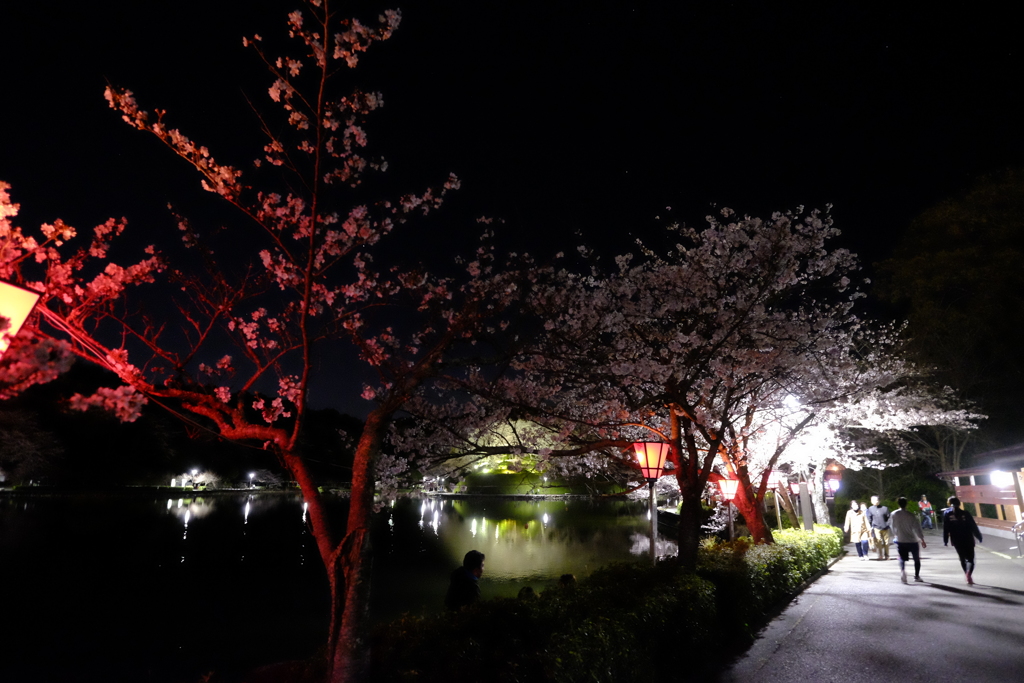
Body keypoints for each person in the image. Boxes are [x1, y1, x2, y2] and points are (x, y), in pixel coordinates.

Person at [943, 496, 984, 585]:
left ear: (950, 504)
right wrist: (979, 536)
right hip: (968, 538)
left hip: (956, 539)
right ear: (959, 503)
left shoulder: (947, 515)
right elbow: (973, 526)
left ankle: (966, 573)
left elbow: (946, 529)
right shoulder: (966, 513)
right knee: (970, 559)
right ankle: (969, 573)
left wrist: (945, 540)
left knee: (962, 559)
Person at [890, 496, 928, 583]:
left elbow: (892, 526)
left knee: (902, 558)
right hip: (912, 540)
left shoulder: (894, 514)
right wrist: (922, 539)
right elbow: (917, 528)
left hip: (901, 540)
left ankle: (903, 572)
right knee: (916, 559)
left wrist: (896, 534)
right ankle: (916, 576)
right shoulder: (911, 515)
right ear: (906, 504)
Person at [866, 495, 892, 560]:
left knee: (886, 542)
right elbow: (869, 518)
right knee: (879, 541)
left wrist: (887, 524)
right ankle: (880, 555)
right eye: (874, 500)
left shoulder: (885, 508)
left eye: (877, 500)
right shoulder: (870, 509)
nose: (876, 501)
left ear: (879, 501)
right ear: (871, 501)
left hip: (885, 527)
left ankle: (887, 555)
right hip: (876, 527)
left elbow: (889, 517)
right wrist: (871, 526)